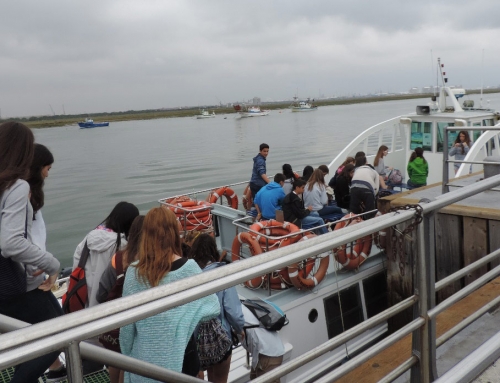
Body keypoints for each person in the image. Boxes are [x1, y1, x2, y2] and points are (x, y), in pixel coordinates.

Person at [119, 207, 220, 379]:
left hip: (145, 360)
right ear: (174, 233)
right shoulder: (190, 268)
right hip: (183, 356)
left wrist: (127, 355)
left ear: (146, 235)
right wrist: (183, 320)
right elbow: (212, 306)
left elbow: (127, 329)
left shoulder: (133, 272)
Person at [0, 122, 62, 383]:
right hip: (13, 282)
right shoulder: (17, 186)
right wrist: (52, 263)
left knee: (49, 325)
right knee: (60, 331)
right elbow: (11, 242)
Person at [26, 143, 67, 381]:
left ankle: (55, 369)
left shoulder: (29, 194)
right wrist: (42, 263)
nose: (48, 174)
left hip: (36, 271)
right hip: (29, 276)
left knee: (56, 324)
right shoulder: (21, 195)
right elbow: (15, 240)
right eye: (47, 168)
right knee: (58, 330)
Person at [189, 234, 245, 383]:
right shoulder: (222, 275)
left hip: (198, 343)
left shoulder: (189, 277)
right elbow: (233, 312)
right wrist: (240, 329)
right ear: (213, 251)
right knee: (219, 379)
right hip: (220, 339)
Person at [96, 215, 145, 383]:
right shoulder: (149, 263)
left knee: (116, 361)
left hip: (116, 323)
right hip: (139, 325)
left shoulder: (117, 258)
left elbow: (101, 294)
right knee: (130, 363)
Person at [73, 201, 139, 309]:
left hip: (83, 301)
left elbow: (76, 262)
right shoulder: (121, 245)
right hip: (106, 303)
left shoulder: (89, 237)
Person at [239, 305, 285, 383]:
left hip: (268, 354)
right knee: (254, 378)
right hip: (263, 351)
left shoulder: (234, 313)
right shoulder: (242, 306)